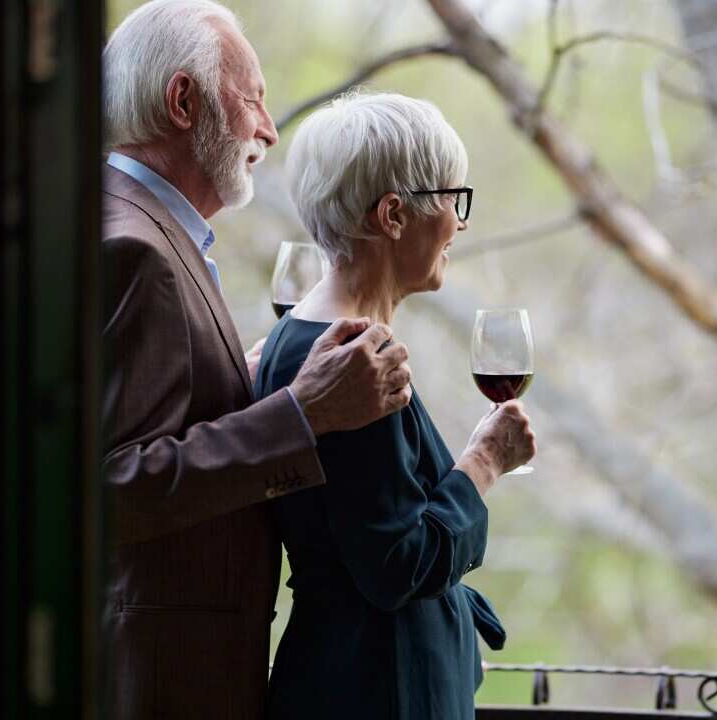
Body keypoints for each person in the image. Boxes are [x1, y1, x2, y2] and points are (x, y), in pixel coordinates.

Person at [0, 2, 417, 719]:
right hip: (137, 685)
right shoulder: (133, 250)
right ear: (182, 101)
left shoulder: (124, 226)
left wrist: (247, 381)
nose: (267, 127)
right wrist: (305, 413)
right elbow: (101, 487)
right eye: (253, 98)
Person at [254, 90, 537, 720]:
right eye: (452, 200)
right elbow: (396, 565)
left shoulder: (298, 336)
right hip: (381, 690)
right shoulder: (353, 358)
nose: (460, 223)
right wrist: (485, 463)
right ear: (394, 215)